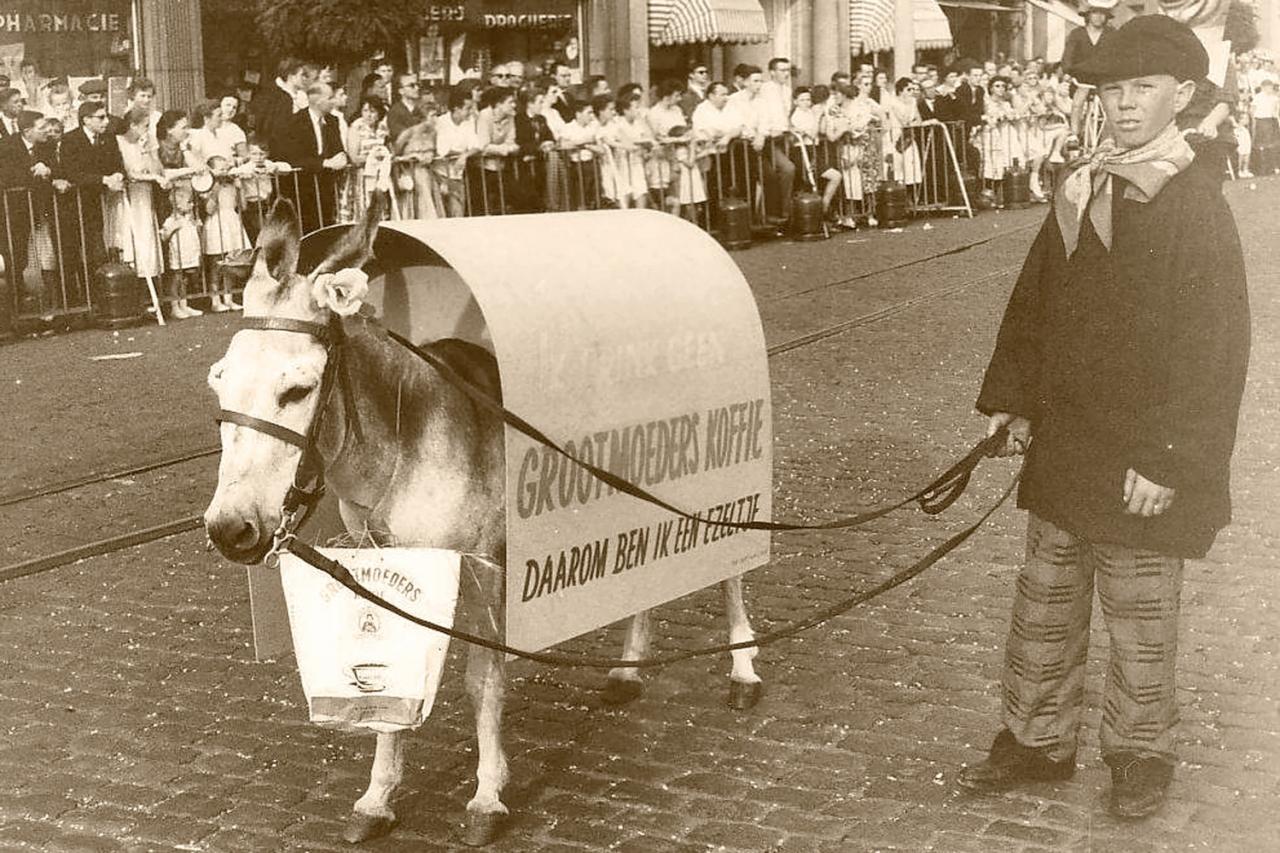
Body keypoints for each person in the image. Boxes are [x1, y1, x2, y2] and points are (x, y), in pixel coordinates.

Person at [961, 14, 1251, 820]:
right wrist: (1016, 399)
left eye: (1143, 90)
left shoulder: (1193, 204)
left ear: (1182, 95)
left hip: (1142, 456)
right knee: (1045, 598)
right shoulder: (1084, 186)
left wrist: (1170, 459)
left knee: (1140, 615)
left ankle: (1138, 753)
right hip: (1066, 443)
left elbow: (1214, 351)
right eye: (1113, 91)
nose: (1124, 107)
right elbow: (1036, 303)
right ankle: (1035, 738)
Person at [276, 81, 347, 232]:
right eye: (330, 98)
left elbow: (337, 148)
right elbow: (290, 157)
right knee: (306, 230)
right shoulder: (293, 123)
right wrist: (324, 163)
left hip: (326, 188)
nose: (334, 102)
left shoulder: (333, 121)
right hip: (301, 188)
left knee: (326, 228)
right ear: (318, 101)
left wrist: (341, 156)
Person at [1064, 0, 1118, 142]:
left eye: (1103, 14)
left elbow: (1119, 54)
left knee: (1111, 106)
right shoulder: (1077, 33)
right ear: (1088, 15)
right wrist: (1067, 73)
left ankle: (1112, 137)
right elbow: (1068, 55)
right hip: (1082, 77)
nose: (1099, 17)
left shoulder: (1112, 33)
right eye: (1095, 13)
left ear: (1107, 17)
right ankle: (1074, 135)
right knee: (1077, 103)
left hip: (1104, 77)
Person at [159, 188, 203, 319]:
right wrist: (172, 229)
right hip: (178, 253)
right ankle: (174, 306)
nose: (192, 205)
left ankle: (184, 304)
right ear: (178, 205)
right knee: (176, 278)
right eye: (189, 202)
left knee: (184, 279)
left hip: (189, 252)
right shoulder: (171, 220)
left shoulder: (190, 219)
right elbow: (164, 236)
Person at [434, 88, 478, 217]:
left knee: (458, 214)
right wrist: (461, 153)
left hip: (457, 176)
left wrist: (464, 156)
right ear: (456, 108)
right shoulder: (441, 122)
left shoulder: (469, 122)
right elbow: (442, 150)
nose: (471, 112)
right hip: (439, 175)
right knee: (440, 214)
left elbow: (476, 145)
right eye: (468, 108)